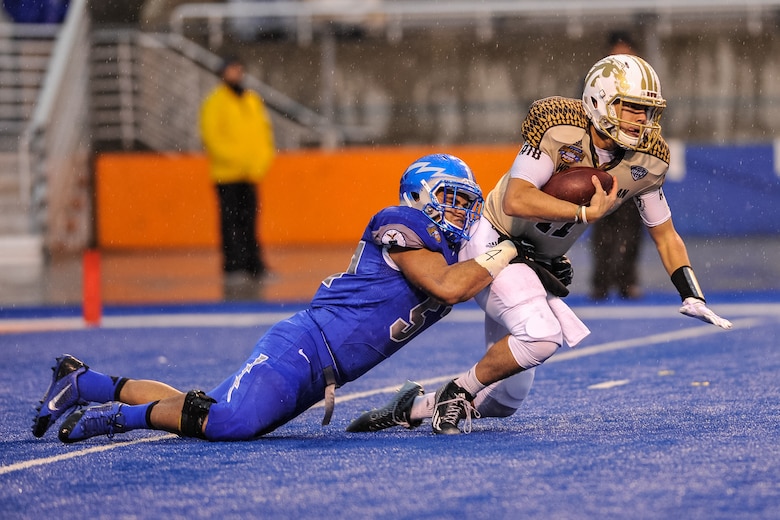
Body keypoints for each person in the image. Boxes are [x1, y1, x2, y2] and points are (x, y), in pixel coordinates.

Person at [347, 54, 733, 436]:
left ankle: (410, 407)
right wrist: (581, 215)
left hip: (533, 260)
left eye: (647, 111)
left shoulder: (648, 160)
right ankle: (456, 391)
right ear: (599, 100)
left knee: (504, 401)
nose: (641, 120)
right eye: (631, 108)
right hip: (495, 240)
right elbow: (517, 199)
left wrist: (691, 293)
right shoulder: (559, 127)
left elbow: (665, 233)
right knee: (541, 335)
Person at [32, 154, 527, 443]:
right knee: (230, 421)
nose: (463, 212)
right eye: (453, 199)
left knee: (209, 408)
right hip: (304, 348)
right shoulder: (403, 223)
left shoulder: (449, 248)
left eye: (468, 201)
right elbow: (447, 286)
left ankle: (84, 382)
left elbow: (469, 274)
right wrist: (506, 252)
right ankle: (114, 419)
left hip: (323, 367)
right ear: (420, 195)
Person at [199, 55, 276, 283]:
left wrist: (260, 161)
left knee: (250, 220)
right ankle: (233, 266)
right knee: (230, 221)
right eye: (231, 70)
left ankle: (254, 265)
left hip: (250, 174)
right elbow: (212, 138)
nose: (236, 74)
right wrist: (237, 160)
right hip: (227, 175)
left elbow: (264, 134)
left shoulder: (251, 100)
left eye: (238, 69)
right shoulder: (215, 102)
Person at [589, 31, 645, 300]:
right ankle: (601, 280)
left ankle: (626, 279)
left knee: (632, 225)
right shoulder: (596, 83)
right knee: (601, 223)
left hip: (632, 160)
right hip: (603, 160)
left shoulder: (644, 86)